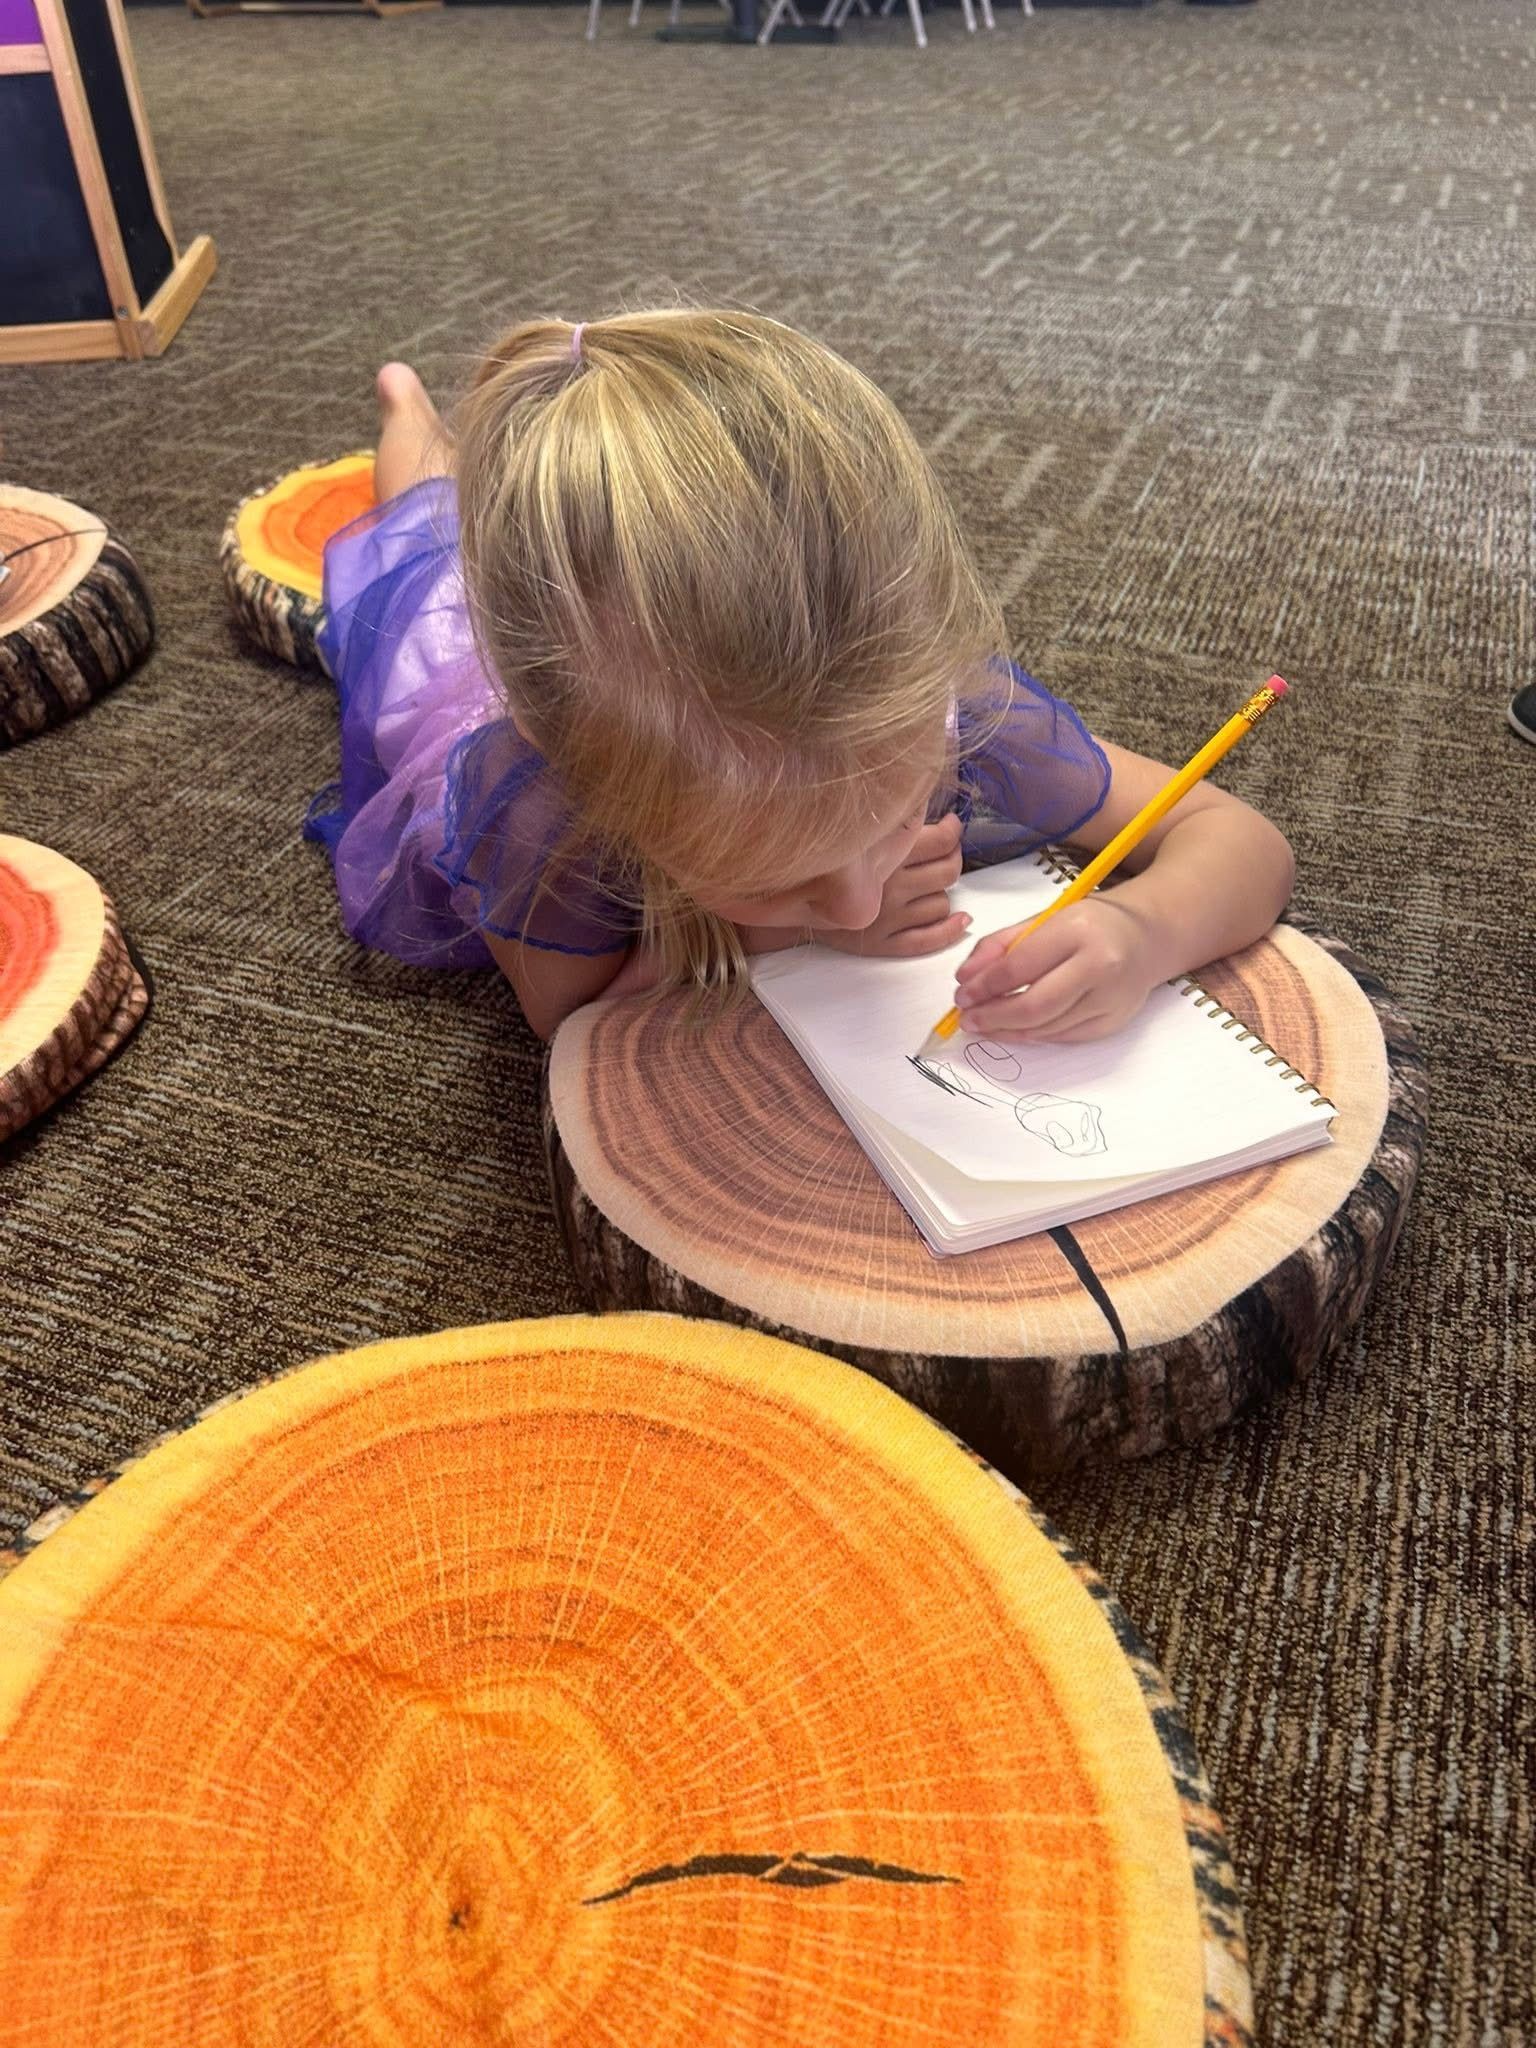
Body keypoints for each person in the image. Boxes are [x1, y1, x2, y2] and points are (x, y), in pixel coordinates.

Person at [307, 310, 1294, 1043]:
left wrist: (1142, 927)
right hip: (452, 675)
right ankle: (410, 411)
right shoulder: (535, 811)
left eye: (898, 815)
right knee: (423, 550)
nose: (863, 901)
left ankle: (426, 430)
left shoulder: (946, 706)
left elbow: (1237, 835)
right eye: (788, 878)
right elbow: (570, 1015)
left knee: (436, 536)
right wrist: (781, 941)